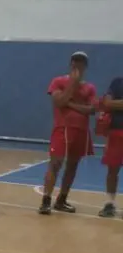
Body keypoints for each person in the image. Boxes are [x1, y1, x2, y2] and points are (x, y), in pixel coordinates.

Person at [39, 52, 96, 215]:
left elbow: (92, 109)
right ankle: (46, 201)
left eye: (81, 62)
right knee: (55, 163)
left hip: (81, 131)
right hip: (62, 128)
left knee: (72, 166)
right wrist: (73, 83)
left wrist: (70, 105)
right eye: (75, 61)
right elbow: (59, 102)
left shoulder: (90, 87)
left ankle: (61, 200)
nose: (77, 65)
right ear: (70, 64)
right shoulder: (58, 81)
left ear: (85, 66)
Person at [100, 74, 123, 218]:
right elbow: (107, 103)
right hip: (116, 132)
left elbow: (111, 103)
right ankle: (109, 204)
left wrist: (116, 103)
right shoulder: (117, 82)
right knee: (112, 169)